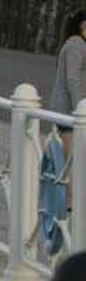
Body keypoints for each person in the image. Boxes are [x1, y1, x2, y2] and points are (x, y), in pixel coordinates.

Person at [49, 10, 86, 202]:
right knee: (72, 161)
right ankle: (71, 207)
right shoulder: (76, 45)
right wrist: (80, 109)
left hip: (72, 112)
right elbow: (72, 79)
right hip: (69, 113)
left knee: (73, 160)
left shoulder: (76, 44)